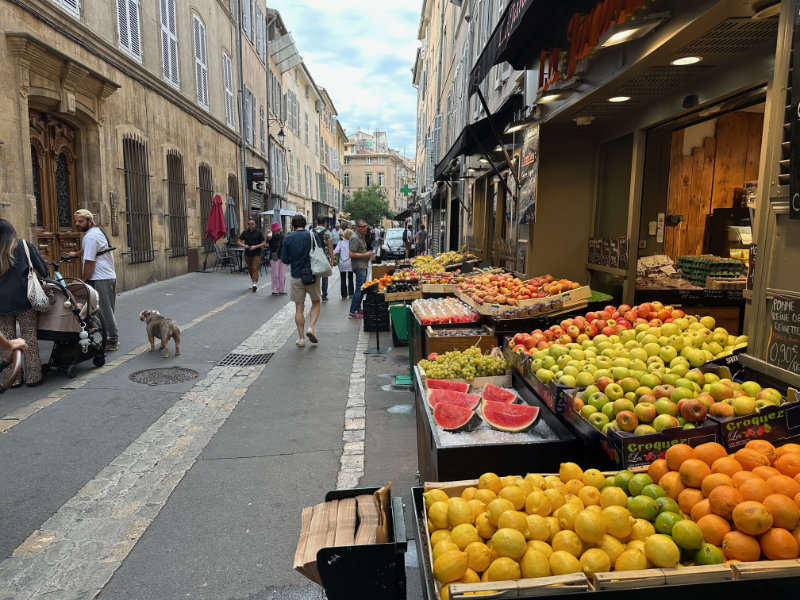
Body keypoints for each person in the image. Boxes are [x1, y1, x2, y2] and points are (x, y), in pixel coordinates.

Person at [0, 219, 47, 387]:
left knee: (7, 339)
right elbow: (43, 270)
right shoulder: (23, 245)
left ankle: (13, 379)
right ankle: (34, 377)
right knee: (29, 337)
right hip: (24, 298)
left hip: (1, 303)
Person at [68, 209, 119, 352]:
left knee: (104, 310)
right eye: (76, 221)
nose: (77, 224)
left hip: (100, 277)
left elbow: (90, 262)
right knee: (105, 309)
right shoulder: (97, 232)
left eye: (81, 221)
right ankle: (108, 337)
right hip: (107, 276)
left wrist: (83, 280)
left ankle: (112, 340)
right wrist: (76, 254)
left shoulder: (90, 237)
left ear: (89, 222)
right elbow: (91, 250)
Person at [281, 215, 324, 347]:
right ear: (305, 224)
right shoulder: (312, 235)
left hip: (296, 275)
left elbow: (284, 259)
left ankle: (301, 339)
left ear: (293, 224)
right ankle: (311, 327)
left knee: (299, 307)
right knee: (316, 302)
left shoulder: (288, 238)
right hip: (311, 275)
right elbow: (319, 252)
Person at [348, 220, 375, 319]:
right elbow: (351, 254)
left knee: (362, 288)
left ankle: (358, 308)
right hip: (359, 266)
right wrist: (366, 254)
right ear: (358, 228)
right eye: (363, 227)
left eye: (366, 226)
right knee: (359, 289)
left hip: (363, 265)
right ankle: (353, 311)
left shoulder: (361, 237)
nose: (365, 228)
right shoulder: (355, 238)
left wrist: (370, 255)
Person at [238, 218, 267, 292]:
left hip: (256, 253)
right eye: (249, 224)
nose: (250, 225)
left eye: (252, 224)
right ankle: (253, 281)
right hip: (247, 253)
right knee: (250, 269)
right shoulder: (245, 232)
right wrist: (244, 246)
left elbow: (264, 243)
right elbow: (238, 241)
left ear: (255, 224)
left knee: (255, 268)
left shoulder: (258, 232)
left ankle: (254, 283)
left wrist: (255, 246)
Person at [313, 215, 334, 302]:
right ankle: (324, 295)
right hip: (325, 256)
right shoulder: (327, 233)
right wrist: (332, 260)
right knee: (325, 276)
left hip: (315, 256)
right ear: (325, 223)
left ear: (317, 222)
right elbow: (330, 247)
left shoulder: (311, 231)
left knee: (316, 275)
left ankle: (315, 294)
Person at [334, 229, 355, 299]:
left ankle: (344, 294)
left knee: (343, 279)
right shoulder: (353, 243)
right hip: (351, 263)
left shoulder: (340, 243)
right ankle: (351, 293)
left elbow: (335, 251)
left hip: (342, 263)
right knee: (351, 278)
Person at [266, 222, 286, 296]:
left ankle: (281, 289)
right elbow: (268, 236)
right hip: (274, 257)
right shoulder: (271, 236)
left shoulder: (281, 236)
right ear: (274, 230)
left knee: (282, 275)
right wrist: (271, 231)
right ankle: (275, 290)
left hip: (282, 256)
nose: (279, 230)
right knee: (275, 274)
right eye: (277, 229)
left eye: (279, 229)